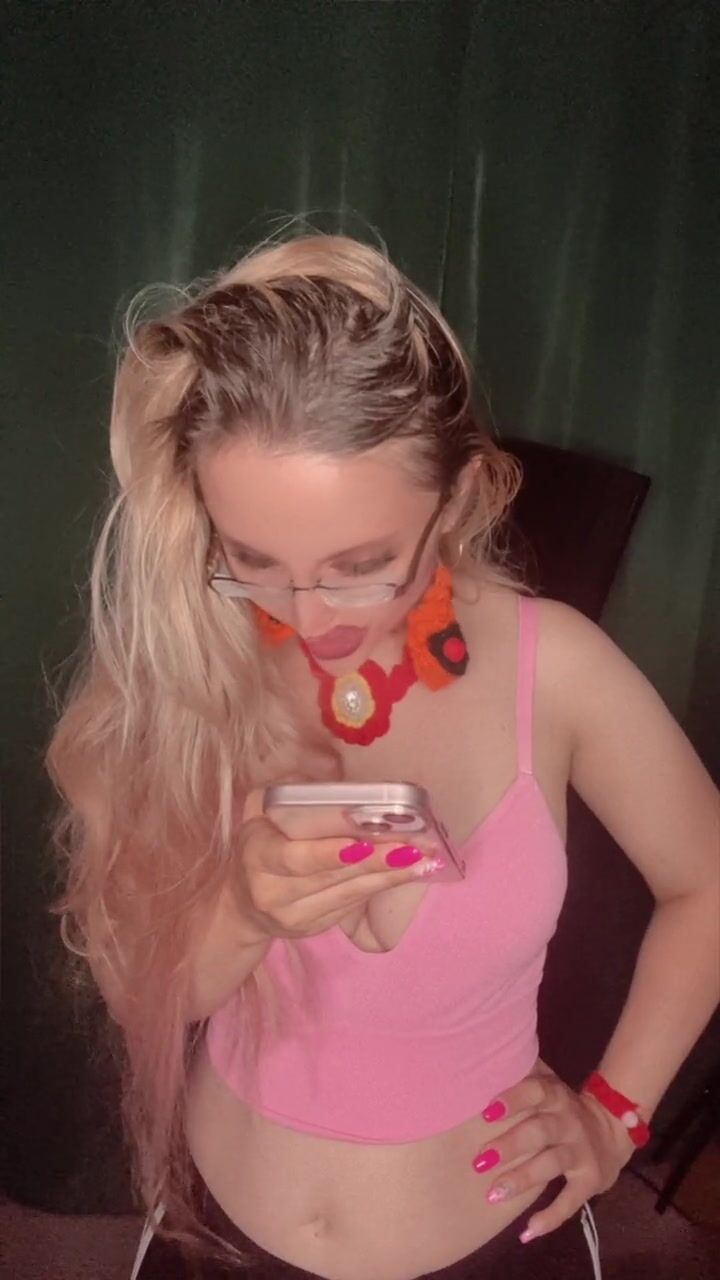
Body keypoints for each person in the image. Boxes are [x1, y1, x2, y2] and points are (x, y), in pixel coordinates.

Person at [46, 232, 719, 1280]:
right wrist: (245, 910)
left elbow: (708, 881)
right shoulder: (187, 675)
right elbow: (149, 1000)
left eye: (360, 565)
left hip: (498, 1242)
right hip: (215, 1236)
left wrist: (616, 1113)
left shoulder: (557, 667)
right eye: (252, 559)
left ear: (457, 498)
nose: (308, 617)